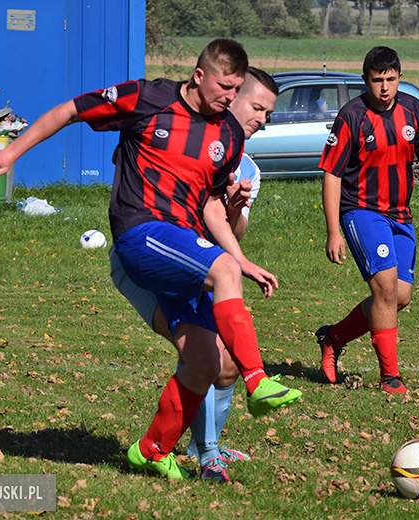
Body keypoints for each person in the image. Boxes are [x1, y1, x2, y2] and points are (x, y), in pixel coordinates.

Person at [0, 39, 301, 480]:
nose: (230, 97)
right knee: (223, 274)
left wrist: (240, 255)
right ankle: (258, 379)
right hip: (140, 232)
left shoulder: (228, 134)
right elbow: (70, 110)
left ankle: (152, 449)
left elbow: (209, 204)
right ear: (199, 76)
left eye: (236, 88)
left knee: (209, 362)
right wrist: (10, 152)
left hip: (183, 248)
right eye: (225, 87)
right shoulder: (148, 98)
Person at [108, 66, 276, 483]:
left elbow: (230, 233)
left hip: (201, 267)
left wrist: (232, 207)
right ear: (231, 95)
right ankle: (205, 453)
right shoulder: (177, 132)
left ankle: (195, 448)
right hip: (151, 264)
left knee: (227, 364)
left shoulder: (246, 167)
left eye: (268, 114)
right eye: (256, 107)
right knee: (204, 356)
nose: (261, 119)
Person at [316, 46, 419, 394]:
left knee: (400, 295)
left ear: (400, 77)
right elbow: (332, 174)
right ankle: (390, 378)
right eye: (377, 80)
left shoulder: (413, 109)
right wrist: (333, 230)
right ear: (366, 80)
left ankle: (333, 337)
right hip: (361, 211)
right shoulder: (351, 116)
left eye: (391, 79)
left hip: (400, 215)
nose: (385, 87)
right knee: (385, 288)